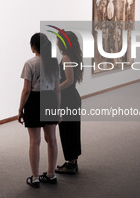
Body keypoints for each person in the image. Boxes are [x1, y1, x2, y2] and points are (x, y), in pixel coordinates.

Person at [18, 33, 61, 188]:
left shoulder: (30, 63)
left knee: (34, 142)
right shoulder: (53, 62)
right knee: (52, 140)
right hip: (50, 99)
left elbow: (26, 90)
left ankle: (35, 178)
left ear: (33, 47)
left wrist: (20, 109)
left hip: (34, 101)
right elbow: (57, 90)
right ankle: (51, 174)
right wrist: (58, 111)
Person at [55, 31, 83, 175]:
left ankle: (71, 164)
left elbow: (69, 80)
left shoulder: (66, 57)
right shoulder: (74, 56)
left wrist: (55, 89)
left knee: (67, 130)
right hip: (73, 97)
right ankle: (72, 161)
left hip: (67, 98)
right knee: (72, 129)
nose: (57, 42)